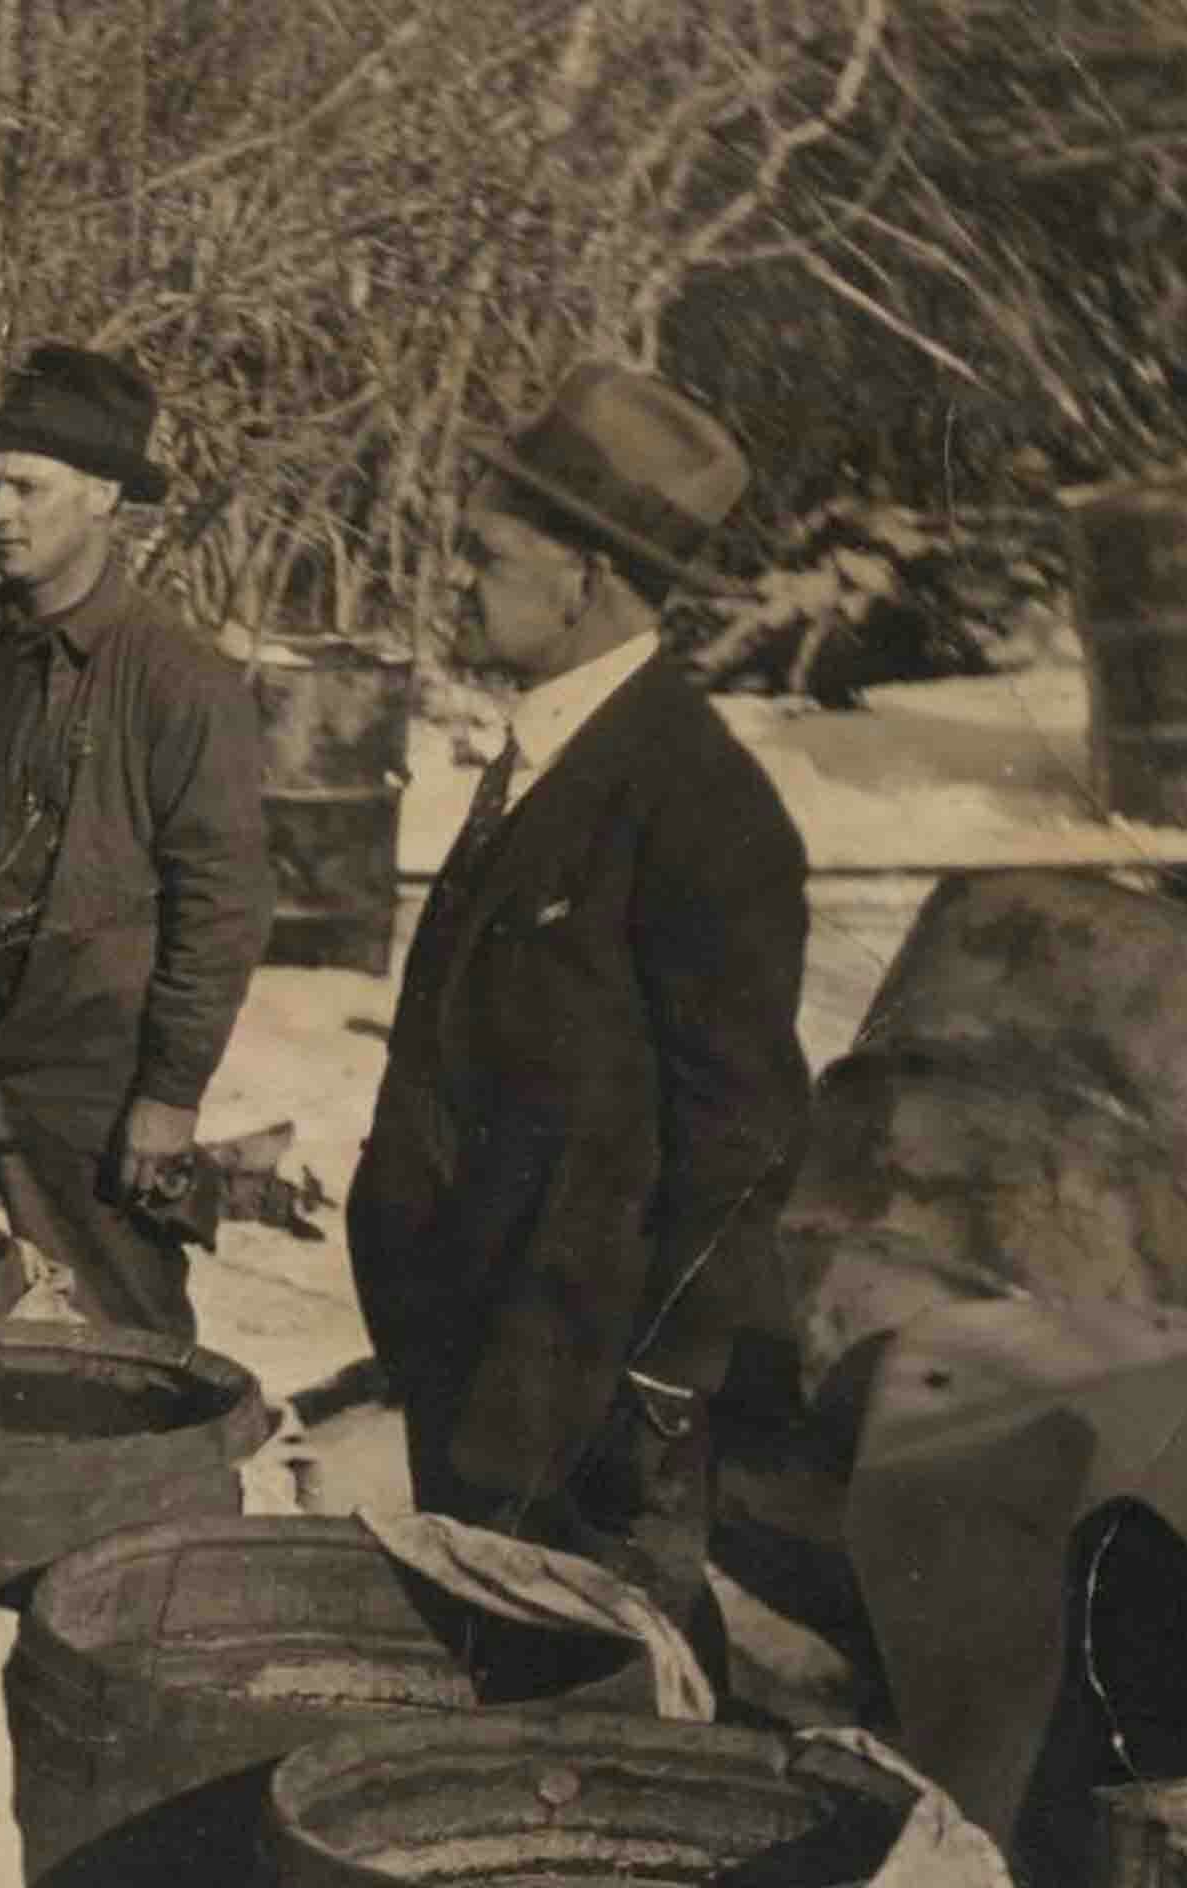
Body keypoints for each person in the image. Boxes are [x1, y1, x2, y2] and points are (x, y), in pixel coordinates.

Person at [350, 363, 811, 1671]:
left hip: (583, 1401)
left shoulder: (699, 804)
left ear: (590, 575)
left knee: (607, 1725)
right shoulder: (549, 754)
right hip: (483, 1358)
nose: (456, 578)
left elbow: (745, 1143)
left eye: (488, 555)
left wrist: (657, 1403)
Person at [0, 344, 275, 1342]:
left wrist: (170, 1095)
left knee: (128, 1335)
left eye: (28, 488)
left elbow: (224, 905)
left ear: (106, 497)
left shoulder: (178, 680)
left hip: (85, 1062)